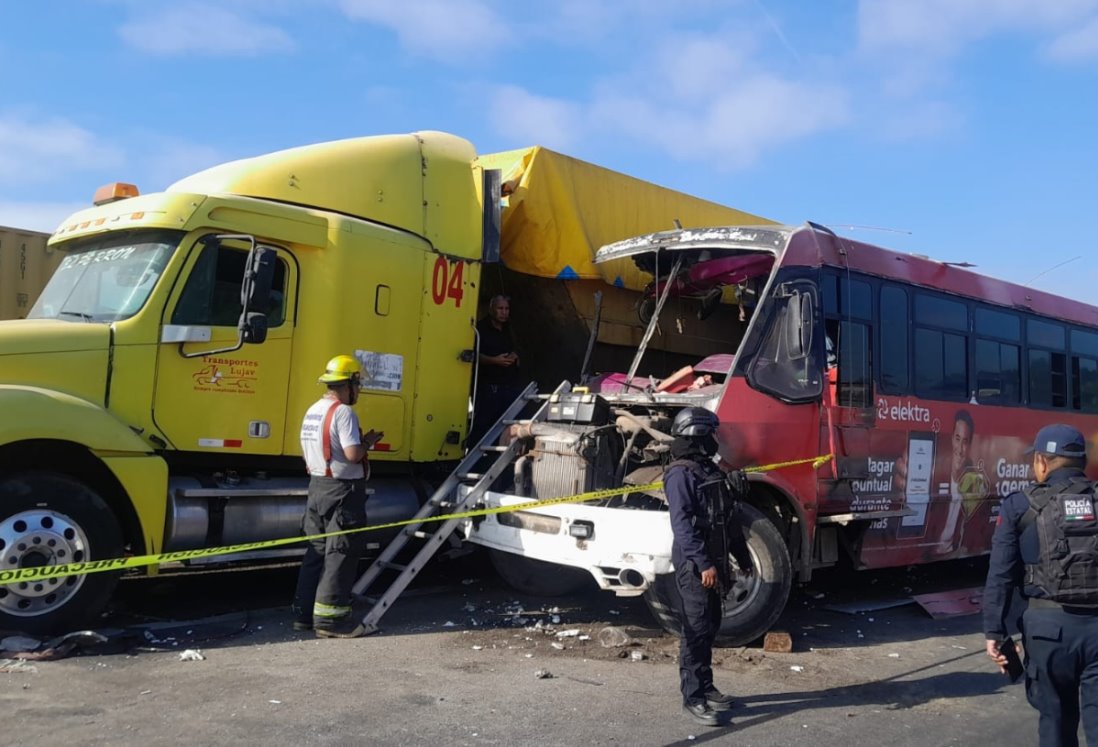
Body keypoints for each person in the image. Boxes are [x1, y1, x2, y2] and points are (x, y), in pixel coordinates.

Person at [983, 423, 1098, 747]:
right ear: (1082, 462)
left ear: (1043, 463)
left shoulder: (1020, 506)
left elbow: (1001, 575)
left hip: (1047, 632)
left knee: (1055, 724)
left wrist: (995, 633)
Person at [664, 407, 753, 727]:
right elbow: (683, 527)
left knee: (711, 625)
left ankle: (705, 685)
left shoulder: (710, 470)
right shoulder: (680, 474)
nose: (717, 440)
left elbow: (727, 521)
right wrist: (703, 564)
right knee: (696, 629)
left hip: (715, 561)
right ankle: (693, 698)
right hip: (695, 565)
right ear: (697, 435)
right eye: (711, 433)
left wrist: (742, 560)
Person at [291, 354, 383, 638]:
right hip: (342, 491)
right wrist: (368, 441)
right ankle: (332, 622)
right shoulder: (344, 412)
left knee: (316, 552)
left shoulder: (314, 410)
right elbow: (354, 454)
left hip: (317, 487)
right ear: (350, 383)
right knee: (340, 553)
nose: (359, 391)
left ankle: (304, 616)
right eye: (358, 385)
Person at [470, 295, 524, 444]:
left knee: (507, 427)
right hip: (488, 388)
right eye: (500, 308)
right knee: (482, 428)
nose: (504, 312)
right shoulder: (479, 329)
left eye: (506, 309)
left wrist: (515, 355)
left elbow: (519, 347)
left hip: (509, 386)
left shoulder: (510, 329)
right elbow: (472, 354)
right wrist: (494, 360)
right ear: (491, 309)